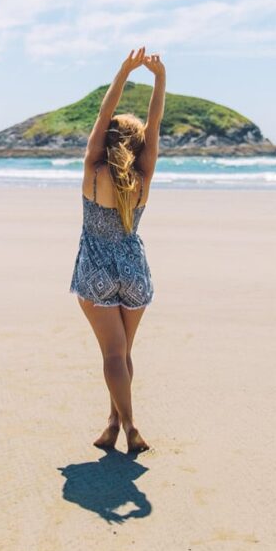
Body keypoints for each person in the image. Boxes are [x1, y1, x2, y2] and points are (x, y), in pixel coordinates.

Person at [68, 46, 165, 453]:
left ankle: (129, 425)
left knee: (112, 354)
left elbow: (101, 118)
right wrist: (160, 79)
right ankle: (112, 423)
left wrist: (124, 73)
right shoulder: (143, 175)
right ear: (139, 145)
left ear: (107, 140)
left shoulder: (93, 170)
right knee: (123, 354)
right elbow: (155, 125)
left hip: (97, 269)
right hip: (134, 269)